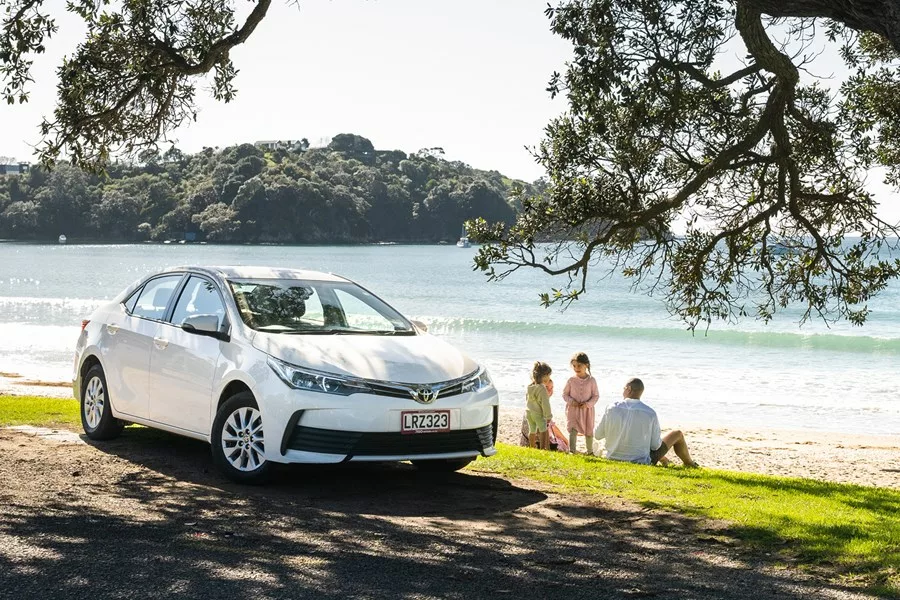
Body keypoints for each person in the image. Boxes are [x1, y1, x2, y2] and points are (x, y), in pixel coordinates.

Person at [594, 377, 699, 467]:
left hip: (613, 457)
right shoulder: (650, 413)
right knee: (677, 434)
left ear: (629, 389)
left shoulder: (611, 408)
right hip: (640, 462)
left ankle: (666, 460)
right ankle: (689, 463)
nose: (623, 391)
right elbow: (655, 446)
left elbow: (597, 435)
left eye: (624, 388)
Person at [562, 352, 599, 455]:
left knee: (588, 430)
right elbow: (564, 394)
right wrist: (572, 401)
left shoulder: (592, 380)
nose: (576, 368)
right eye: (574, 366)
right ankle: (572, 450)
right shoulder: (571, 380)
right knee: (573, 430)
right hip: (573, 409)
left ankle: (590, 451)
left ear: (586, 365)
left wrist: (587, 404)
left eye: (579, 365)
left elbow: (596, 396)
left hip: (587, 410)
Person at [525, 361, 553, 450]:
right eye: (549, 375)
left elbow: (527, 399)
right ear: (544, 376)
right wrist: (548, 416)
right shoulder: (542, 389)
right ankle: (542, 448)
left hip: (529, 412)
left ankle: (532, 447)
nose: (549, 378)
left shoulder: (530, 386)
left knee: (532, 430)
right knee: (543, 430)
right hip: (538, 414)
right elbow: (545, 404)